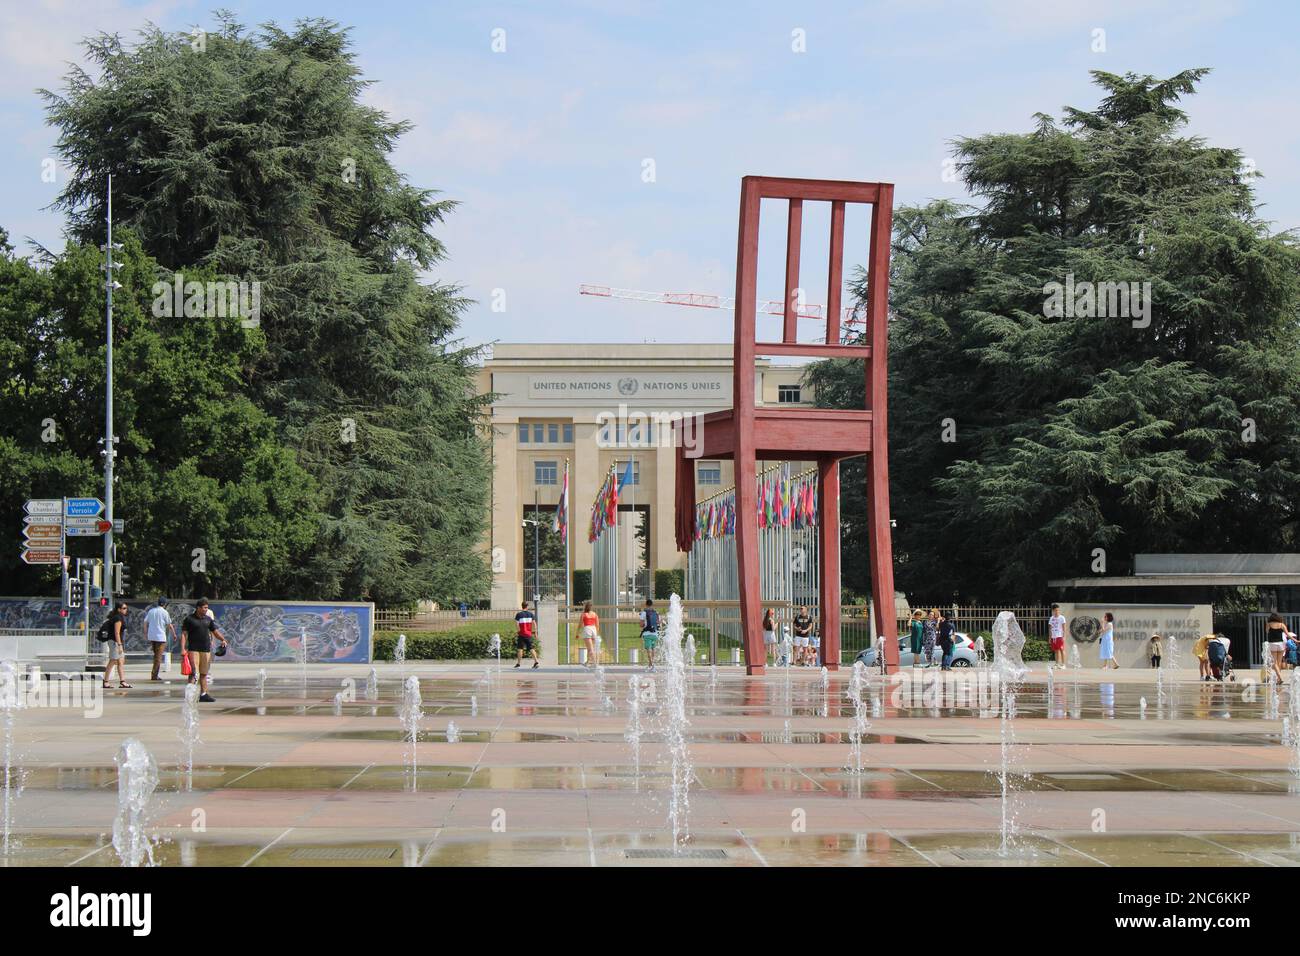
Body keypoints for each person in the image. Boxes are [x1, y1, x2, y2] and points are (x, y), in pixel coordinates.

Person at [180, 598, 228, 702]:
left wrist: (223, 639)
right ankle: (190, 695)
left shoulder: (208, 619)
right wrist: (183, 649)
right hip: (193, 649)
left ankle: (204, 694)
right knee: (193, 673)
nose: (206, 609)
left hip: (206, 649)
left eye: (207, 607)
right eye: (204, 607)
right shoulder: (189, 619)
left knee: (204, 673)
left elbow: (215, 631)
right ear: (198, 608)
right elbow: (184, 634)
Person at [144, 596, 178, 682]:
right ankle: (154, 675)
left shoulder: (151, 611)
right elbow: (169, 624)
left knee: (156, 655)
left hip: (152, 636)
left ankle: (154, 673)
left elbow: (145, 622)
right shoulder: (164, 612)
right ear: (164, 604)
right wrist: (174, 634)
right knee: (158, 657)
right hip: (160, 637)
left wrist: (146, 633)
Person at [99, 601, 131, 689]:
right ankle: (105, 682)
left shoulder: (119, 617)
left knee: (120, 661)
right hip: (114, 642)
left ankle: (122, 681)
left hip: (115, 641)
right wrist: (119, 645)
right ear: (119, 609)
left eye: (126, 608)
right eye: (124, 608)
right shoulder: (117, 618)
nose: (126, 610)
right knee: (113, 661)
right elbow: (117, 633)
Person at [514, 601, 540, 669]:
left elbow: (516, 624)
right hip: (528, 634)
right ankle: (536, 662)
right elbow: (534, 624)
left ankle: (518, 663)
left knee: (520, 649)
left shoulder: (519, 614)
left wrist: (518, 630)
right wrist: (535, 633)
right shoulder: (531, 614)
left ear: (522, 606)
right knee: (531, 648)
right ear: (527, 606)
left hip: (521, 634)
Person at [1264, 612, 1287, 684]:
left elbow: (1267, 631)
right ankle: (1278, 679)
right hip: (1281, 644)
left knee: (1274, 662)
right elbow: (1287, 634)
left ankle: (1280, 677)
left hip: (1272, 643)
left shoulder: (1269, 624)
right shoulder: (1281, 624)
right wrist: (1295, 640)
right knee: (1279, 662)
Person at [640, 598, 660, 671]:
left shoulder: (644, 613)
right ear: (652, 604)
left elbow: (641, 624)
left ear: (646, 604)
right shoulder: (656, 612)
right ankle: (651, 665)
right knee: (653, 649)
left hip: (647, 634)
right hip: (655, 634)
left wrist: (643, 625)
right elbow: (658, 623)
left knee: (648, 650)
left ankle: (652, 665)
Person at [579, 600, 600, 667]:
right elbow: (597, 625)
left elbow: (580, 625)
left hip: (587, 630)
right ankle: (588, 662)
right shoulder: (595, 614)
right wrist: (596, 633)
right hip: (594, 630)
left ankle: (595, 663)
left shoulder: (583, 614)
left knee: (590, 648)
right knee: (591, 648)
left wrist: (577, 633)